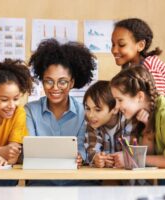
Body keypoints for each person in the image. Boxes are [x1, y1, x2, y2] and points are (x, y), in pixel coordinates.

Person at [25, 38, 97, 186]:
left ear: (71, 83)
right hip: (41, 183)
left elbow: (83, 149)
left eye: (62, 81)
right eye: (48, 81)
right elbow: (29, 151)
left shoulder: (84, 112)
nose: (55, 87)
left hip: (76, 182)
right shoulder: (30, 111)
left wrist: (79, 157)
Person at [110, 66, 165, 172]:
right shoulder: (146, 114)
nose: (116, 107)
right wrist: (148, 130)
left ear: (140, 97)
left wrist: (132, 158)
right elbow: (151, 157)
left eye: (120, 100)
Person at [111, 18, 165, 99]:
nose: (114, 50)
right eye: (113, 44)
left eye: (121, 44)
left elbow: (157, 101)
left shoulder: (151, 66)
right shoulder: (130, 68)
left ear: (140, 45)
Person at [84, 80, 135, 168]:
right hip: (106, 178)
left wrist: (122, 158)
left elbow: (133, 153)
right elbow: (91, 150)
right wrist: (97, 158)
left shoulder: (128, 120)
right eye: (88, 108)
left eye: (98, 110)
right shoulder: (92, 122)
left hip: (132, 178)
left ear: (115, 109)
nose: (90, 115)